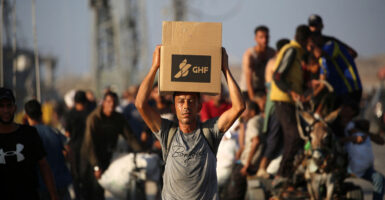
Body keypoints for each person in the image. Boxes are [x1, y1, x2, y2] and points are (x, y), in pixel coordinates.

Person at [135, 46, 245, 200]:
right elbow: (140, 104)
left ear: (199, 106)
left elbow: (239, 106)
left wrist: (225, 69)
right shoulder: (167, 132)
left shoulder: (210, 131)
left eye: (191, 101)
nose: (186, 106)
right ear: (174, 107)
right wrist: (155, 67)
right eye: (181, 102)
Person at [81, 91, 143, 200]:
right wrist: (96, 166)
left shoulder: (118, 118)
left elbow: (130, 137)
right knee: (94, 191)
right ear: (103, 103)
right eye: (108, 101)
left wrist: (141, 152)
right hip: (91, 159)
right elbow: (89, 144)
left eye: (114, 102)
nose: (111, 104)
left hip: (108, 156)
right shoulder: (94, 118)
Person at [270, 25, 311, 185]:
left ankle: (290, 174)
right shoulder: (292, 51)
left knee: (297, 137)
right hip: (282, 99)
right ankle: (282, 175)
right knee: (294, 135)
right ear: (307, 40)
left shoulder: (298, 53)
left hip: (289, 101)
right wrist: (291, 92)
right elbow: (278, 76)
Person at [0, 87, 59, 200]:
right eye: (1, 106)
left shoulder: (29, 133)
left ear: (15, 108)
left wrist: (54, 195)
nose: (6, 110)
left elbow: (43, 165)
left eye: (9, 106)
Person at [24, 99, 73, 200]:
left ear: (26, 116)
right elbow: (68, 150)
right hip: (60, 184)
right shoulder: (54, 131)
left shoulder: (25, 135)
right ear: (41, 114)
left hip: (39, 187)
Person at [257, 39, 290, 178]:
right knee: (274, 138)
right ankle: (262, 168)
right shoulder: (276, 62)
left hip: (281, 104)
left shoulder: (278, 61)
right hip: (276, 105)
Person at [339, 101, 385, 200]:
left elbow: (381, 141)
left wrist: (365, 134)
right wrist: (353, 138)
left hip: (364, 168)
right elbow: (337, 139)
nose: (345, 110)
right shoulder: (339, 126)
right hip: (349, 167)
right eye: (344, 107)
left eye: (348, 108)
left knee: (379, 179)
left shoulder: (356, 125)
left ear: (353, 112)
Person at [308, 34, 362, 111]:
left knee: (343, 116)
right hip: (341, 92)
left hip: (351, 88)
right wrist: (309, 97)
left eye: (310, 46)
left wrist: (312, 45)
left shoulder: (331, 46)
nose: (309, 49)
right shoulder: (322, 60)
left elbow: (319, 53)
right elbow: (322, 83)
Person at [226, 101, 264, 200]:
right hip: (252, 162)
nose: (242, 114)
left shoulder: (253, 122)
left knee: (235, 189)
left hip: (249, 164)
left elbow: (256, 141)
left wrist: (247, 164)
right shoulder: (259, 120)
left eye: (245, 111)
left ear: (252, 112)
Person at [64, 90, 91, 200]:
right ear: (85, 101)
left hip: (74, 149)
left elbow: (67, 133)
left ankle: (78, 196)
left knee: (75, 175)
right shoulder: (89, 114)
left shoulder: (70, 114)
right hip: (87, 149)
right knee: (86, 175)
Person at [241, 25, 275, 111]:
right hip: (248, 90)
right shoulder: (250, 55)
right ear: (255, 38)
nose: (264, 40)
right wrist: (253, 100)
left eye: (266, 37)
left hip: (263, 88)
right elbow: (248, 79)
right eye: (261, 37)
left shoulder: (272, 53)